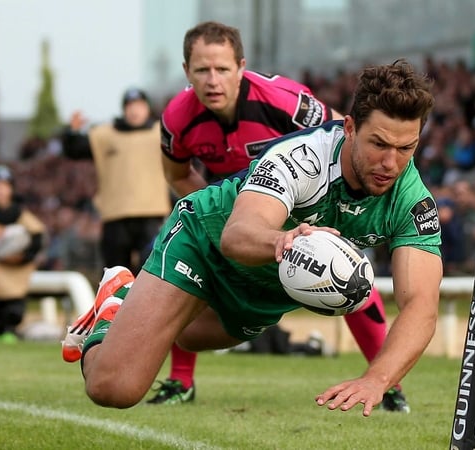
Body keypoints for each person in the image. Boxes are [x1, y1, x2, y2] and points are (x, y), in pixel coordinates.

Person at [62, 60, 441, 416]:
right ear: (351, 128)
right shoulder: (300, 158)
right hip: (205, 244)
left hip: (264, 290)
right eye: (379, 144)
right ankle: (113, 309)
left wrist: (377, 380)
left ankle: (127, 302)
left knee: (191, 339)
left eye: (405, 148)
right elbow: (238, 234)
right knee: (114, 389)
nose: (390, 162)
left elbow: (421, 306)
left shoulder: (412, 201)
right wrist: (282, 240)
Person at [149, 21, 407, 412]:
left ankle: (387, 385)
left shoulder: (285, 100)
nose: (213, 80)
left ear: (241, 67)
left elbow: (346, 135)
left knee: (347, 274)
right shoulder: (176, 118)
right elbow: (177, 175)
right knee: (189, 273)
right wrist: (218, 216)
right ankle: (180, 381)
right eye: (202, 70)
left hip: (304, 206)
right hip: (232, 211)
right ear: (187, 73)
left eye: (222, 68)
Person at [60, 88, 171, 274]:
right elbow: (75, 149)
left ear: (147, 109)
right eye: (130, 106)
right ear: (124, 109)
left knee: (153, 268)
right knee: (115, 271)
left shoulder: (160, 132)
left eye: (139, 106)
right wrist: (71, 131)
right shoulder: (106, 135)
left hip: (152, 213)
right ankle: (116, 304)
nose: (135, 111)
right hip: (116, 214)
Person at [0, 165, 46, 343]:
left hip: (16, 272)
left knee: (13, 307)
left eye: (5, 187)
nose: (1, 192)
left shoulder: (22, 214)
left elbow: (36, 237)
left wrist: (21, 257)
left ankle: (10, 331)